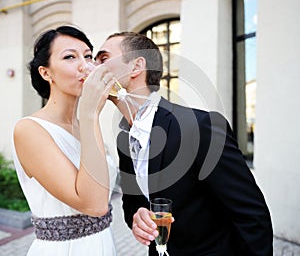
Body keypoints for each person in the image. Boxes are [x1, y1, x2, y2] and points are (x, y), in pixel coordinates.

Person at [94, 31, 273, 256]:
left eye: (103, 58)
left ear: (136, 67)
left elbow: (252, 216)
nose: (94, 67)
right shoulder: (124, 137)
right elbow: (132, 203)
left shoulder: (200, 127)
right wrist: (137, 216)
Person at [12, 25, 117, 256]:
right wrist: (90, 114)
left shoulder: (84, 126)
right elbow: (95, 205)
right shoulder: (29, 130)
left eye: (88, 56)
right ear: (46, 73)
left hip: (104, 245)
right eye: (70, 57)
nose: (85, 65)